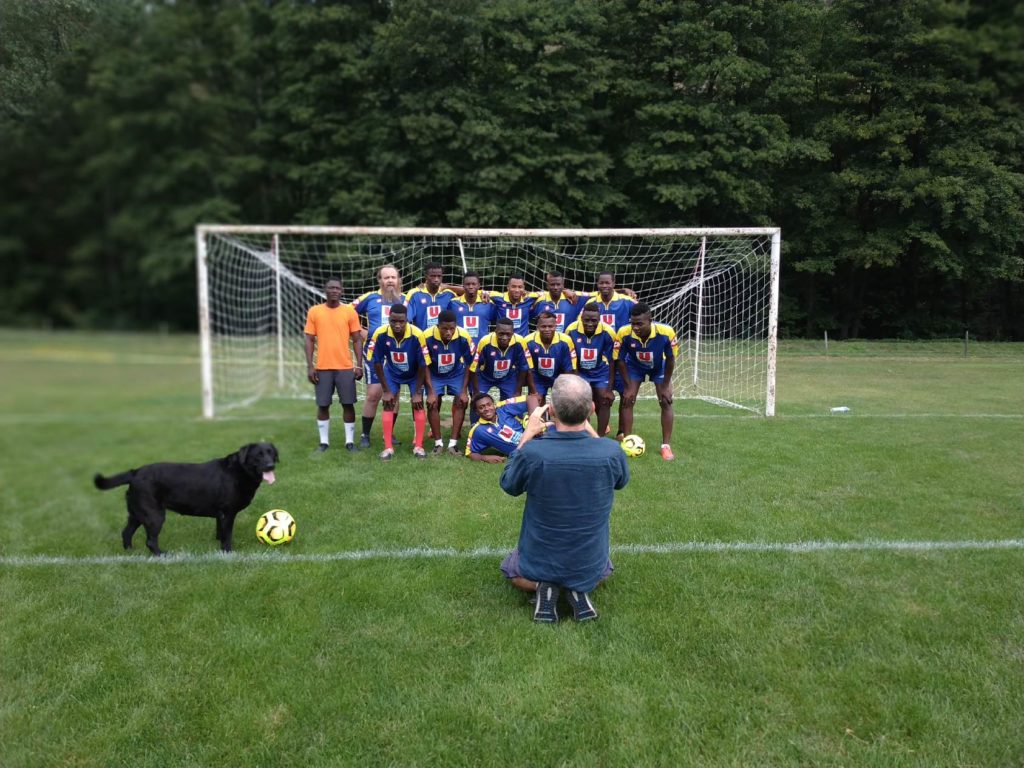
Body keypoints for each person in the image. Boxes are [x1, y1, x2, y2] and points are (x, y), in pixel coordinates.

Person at [499, 374, 630, 622]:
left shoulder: (533, 453)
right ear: (592, 409)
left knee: (511, 569)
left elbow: (508, 484)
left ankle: (544, 587)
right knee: (604, 568)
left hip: (536, 566)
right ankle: (577, 588)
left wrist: (526, 436)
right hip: (591, 567)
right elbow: (621, 481)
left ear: (551, 411)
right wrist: (590, 427)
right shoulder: (612, 452)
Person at [303, 277, 363, 452]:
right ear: (325, 290)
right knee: (323, 405)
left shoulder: (349, 312)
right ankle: (324, 443)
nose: (334, 291)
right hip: (322, 367)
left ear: (341, 291)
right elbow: (309, 339)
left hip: (345, 367)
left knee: (348, 404)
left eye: (337, 288)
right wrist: (310, 365)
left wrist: (358, 365)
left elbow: (357, 340)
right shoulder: (315, 311)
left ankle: (349, 442)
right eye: (331, 288)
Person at [366, 303, 431, 460]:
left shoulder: (418, 334)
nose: (397, 324)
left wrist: (416, 392)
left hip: (414, 373)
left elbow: (423, 364)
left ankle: (418, 446)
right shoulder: (380, 333)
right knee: (388, 403)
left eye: (401, 321)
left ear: (407, 320)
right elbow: (376, 362)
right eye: (393, 321)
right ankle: (388, 448)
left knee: (418, 403)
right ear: (388, 319)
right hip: (392, 373)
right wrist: (386, 390)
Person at [352, 264, 407, 449]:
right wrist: (361, 331)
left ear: (398, 280)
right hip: (374, 354)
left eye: (393, 277)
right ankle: (365, 435)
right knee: (374, 394)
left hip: (398, 356)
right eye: (386, 277)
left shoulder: (406, 300)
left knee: (394, 395)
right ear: (380, 280)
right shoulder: (370, 298)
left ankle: (388, 435)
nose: (390, 280)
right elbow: (347, 314)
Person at [615, 303, 678, 461]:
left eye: (639, 323)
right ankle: (628, 441)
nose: (635, 327)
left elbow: (670, 359)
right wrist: (628, 386)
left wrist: (665, 385)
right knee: (627, 399)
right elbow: (620, 360)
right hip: (635, 367)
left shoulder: (666, 332)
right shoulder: (623, 332)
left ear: (650, 320)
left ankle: (665, 446)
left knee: (665, 401)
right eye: (633, 323)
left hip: (659, 367)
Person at [424, 309, 476, 455]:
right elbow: (424, 365)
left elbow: (469, 363)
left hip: (456, 373)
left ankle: (453, 445)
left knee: (462, 401)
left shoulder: (464, 336)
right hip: (434, 373)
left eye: (452, 328)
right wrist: (431, 391)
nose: (448, 332)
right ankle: (438, 443)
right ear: (437, 326)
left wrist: (464, 391)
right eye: (444, 329)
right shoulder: (426, 337)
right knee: (432, 403)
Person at [565, 303, 617, 437]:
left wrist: (610, 389)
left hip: (600, 372)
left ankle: (600, 438)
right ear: (581, 318)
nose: (589, 323)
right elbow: (570, 357)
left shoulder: (608, 332)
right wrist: (576, 381)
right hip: (580, 372)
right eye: (586, 320)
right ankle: (585, 435)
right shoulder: (571, 330)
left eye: (593, 320)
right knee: (581, 400)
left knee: (604, 399)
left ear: (599, 319)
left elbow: (612, 361)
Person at [470, 317, 535, 403]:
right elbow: (474, 367)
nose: (504, 337)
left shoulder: (520, 341)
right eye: (501, 334)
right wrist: (476, 391)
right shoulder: (485, 341)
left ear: (513, 333)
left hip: (508, 378)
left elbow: (524, 368)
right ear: (495, 331)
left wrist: (517, 391)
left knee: (514, 403)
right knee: (478, 401)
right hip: (485, 377)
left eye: (508, 334)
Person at [522, 311, 577, 403]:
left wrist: (568, 389)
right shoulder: (527, 341)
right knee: (536, 404)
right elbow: (529, 369)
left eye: (550, 326)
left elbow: (569, 368)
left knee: (562, 404)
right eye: (543, 326)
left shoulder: (566, 341)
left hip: (559, 376)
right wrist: (534, 391)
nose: (547, 329)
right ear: (538, 327)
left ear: (556, 326)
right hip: (537, 378)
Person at [464, 392, 533, 463]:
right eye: (481, 407)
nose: (487, 409)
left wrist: (533, 422)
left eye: (489, 405)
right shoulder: (478, 430)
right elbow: (470, 453)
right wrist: (485, 458)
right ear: (477, 412)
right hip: (524, 454)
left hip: (536, 437)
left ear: (494, 404)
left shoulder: (503, 408)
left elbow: (531, 398)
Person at [406, 262, 457, 332]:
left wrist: (449, 287)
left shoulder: (449, 294)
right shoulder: (414, 294)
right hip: (422, 339)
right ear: (426, 276)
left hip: (443, 340)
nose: (436, 279)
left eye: (439, 276)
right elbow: (406, 319)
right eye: (433, 276)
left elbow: (471, 293)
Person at [450, 271, 496, 342]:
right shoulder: (453, 303)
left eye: (473, 284)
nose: (471, 287)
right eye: (468, 284)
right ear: (463, 286)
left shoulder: (488, 304)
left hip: (481, 348)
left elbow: (497, 322)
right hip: (460, 348)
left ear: (479, 286)